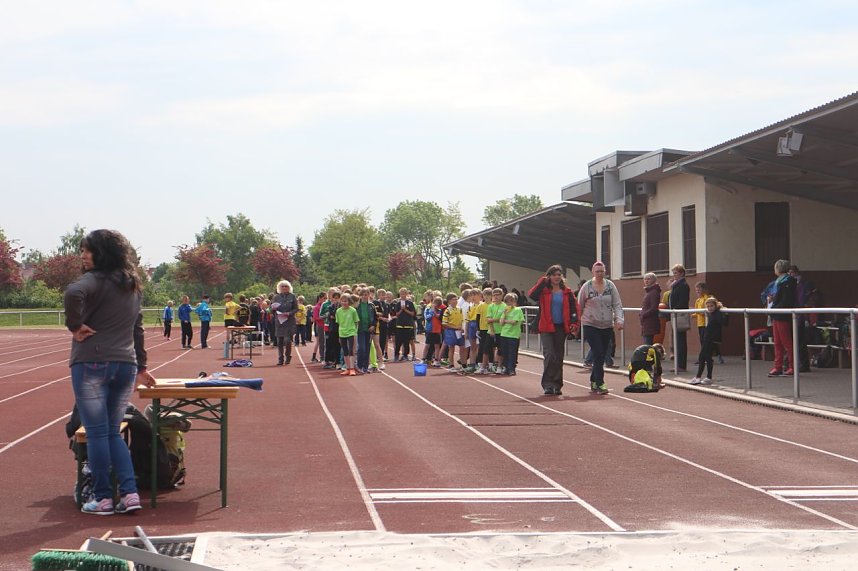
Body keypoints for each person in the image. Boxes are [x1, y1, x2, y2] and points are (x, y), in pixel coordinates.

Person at [63, 229, 156, 515]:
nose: (82, 256)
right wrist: (141, 366)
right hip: (125, 365)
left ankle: (103, 497)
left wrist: (75, 326)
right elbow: (137, 329)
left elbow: (72, 293)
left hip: (91, 363)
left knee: (97, 434)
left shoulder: (92, 280)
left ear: (101, 253)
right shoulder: (132, 286)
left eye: (87, 251)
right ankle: (129, 494)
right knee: (113, 433)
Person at [528, 264, 578, 396]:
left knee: (558, 356)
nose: (557, 277)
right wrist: (542, 281)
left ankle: (557, 384)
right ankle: (547, 384)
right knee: (549, 354)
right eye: (554, 275)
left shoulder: (567, 292)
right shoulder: (544, 290)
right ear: (549, 276)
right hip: (546, 326)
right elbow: (532, 295)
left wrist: (574, 323)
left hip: (561, 327)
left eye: (559, 275)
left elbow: (574, 308)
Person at [578, 261, 623, 395]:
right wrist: (577, 324)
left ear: (605, 272)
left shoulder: (610, 286)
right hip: (590, 324)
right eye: (597, 271)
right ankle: (600, 382)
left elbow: (617, 304)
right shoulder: (587, 287)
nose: (600, 274)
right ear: (593, 272)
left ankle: (593, 380)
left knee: (601, 353)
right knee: (598, 352)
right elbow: (579, 305)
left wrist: (619, 320)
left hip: (606, 325)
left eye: (602, 271)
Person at [769, 259, 797, 377]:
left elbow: (786, 300)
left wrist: (775, 307)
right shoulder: (778, 282)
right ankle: (778, 366)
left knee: (787, 342)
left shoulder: (788, 281)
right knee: (777, 342)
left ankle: (792, 366)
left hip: (783, 315)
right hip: (776, 314)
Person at [691, 297, 726, 385]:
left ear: (715, 305)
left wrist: (726, 313)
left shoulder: (717, 314)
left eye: (711, 306)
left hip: (711, 339)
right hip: (708, 338)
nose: (710, 308)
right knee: (706, 357)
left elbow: (724, 323)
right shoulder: (712, 314)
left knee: (703, 357)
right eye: (708, 306)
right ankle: (705, 377)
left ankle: (701, 377)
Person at [668, 264, 690, 371]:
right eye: (674, 273)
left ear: (681, 273)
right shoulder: (676, 285)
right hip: (674, 314)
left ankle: (681, 365)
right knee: (677, 339)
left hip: (679, 315)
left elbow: (683, 301)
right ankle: (678, 364)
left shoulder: (683, 285)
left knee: (680, 340)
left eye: (676, 273)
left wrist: (675, 309)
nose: (674, 275)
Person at [272, 280, 298, 365]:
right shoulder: (276, 297)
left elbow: (296, 308)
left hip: (289, 321)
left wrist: (289, 313)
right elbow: (271, 309)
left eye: (286, 286)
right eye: (282, 286)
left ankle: (288, 356)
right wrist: (273, 310)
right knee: (279, 341)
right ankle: (280, 359)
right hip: (279, 321)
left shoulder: (292, 296)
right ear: (279, 288)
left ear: (289, 287)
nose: (284, 288)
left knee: (287, 340)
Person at [498, 293, 524, 376]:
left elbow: (514, 322)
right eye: (507, 302)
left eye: (511, 301)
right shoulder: (505, 310)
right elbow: (501, 323)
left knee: (512, 352)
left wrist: (505, 321)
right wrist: (505, 314)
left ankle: (511, 368)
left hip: (513, 335)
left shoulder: (518, 310)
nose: (509, 304)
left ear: (515, 302)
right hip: (504, 334)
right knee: (505, 352)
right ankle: (506, 367)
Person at [336, 293, 359, 376]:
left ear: (349, 301)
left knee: (351, 351)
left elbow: (356, 322)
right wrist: (339, 334)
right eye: (342, 301)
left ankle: (352, 368)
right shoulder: (338, 311)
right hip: (342, 333)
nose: (344, 303)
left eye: (345, 301)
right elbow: (339, 323)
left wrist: (354, 332)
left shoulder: (353, 310)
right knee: (345, 351)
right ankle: (348, 368)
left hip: (351, 333)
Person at [390, 287, 416, 361]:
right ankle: (396, 355)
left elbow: (413, 314)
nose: (402, 295)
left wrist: (405, 309)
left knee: (406, 342)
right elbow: (396, 314)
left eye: (404, 294)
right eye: (401, 294)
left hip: (408, 325)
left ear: (406, 294)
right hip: (399, 325)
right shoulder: (398, 303)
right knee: (398, 342)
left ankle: (405, 355)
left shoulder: (410, 303)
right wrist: (401, 309)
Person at [442, 293, 465, 372]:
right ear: (449, 301)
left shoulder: (459, 309)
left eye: (456, 299)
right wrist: (455, 327)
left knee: (462, 347)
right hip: (451, 331)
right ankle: (451, 365)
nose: (455, 301)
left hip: (459, 331)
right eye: (453, 299)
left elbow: (462, 320)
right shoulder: (447, 310)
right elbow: (444, 323)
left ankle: (463, 364)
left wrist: (462, 327)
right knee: (451, 348)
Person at [355, 288, 376, 373]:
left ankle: (365, 367)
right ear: (360, 296)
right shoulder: (357, 306)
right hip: (360, 330)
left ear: (369, 295)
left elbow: (375, 317)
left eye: (366, 294)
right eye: (363, 295)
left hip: (369, 330)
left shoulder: (371, 305)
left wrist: (373, 325)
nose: (365, 296)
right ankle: (359, 365)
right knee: (361, 348)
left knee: (367, 348)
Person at [640, 273, 661, 346]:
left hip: (650, 322)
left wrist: (643, 314)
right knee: (647, 343)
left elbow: (654, 308)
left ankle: (650, 357)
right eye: (645, 279)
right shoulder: (649, 292)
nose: (646, 281)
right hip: (646, 322)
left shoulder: (654, 292)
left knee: (647, 345)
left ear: (654, 280)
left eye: (648, 279)